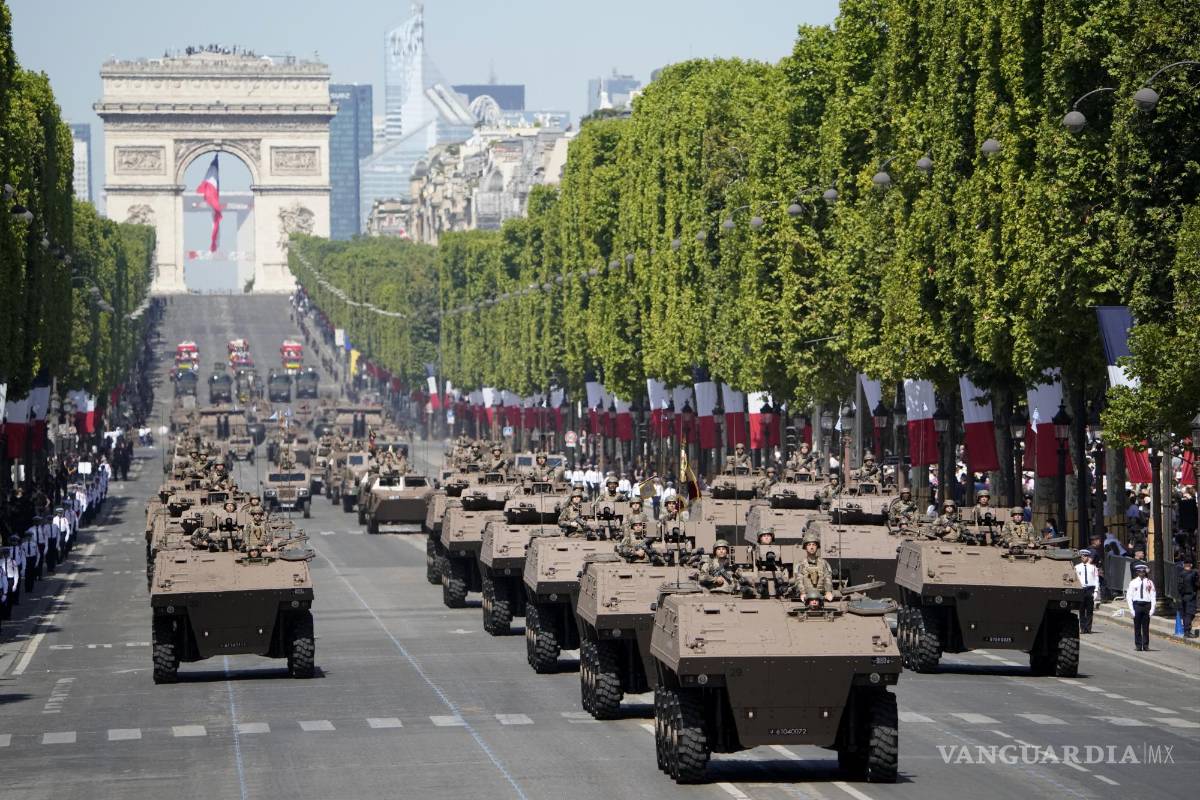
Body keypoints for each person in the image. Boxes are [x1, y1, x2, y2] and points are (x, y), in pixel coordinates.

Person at [1126, 563, 1156, 651]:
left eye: (1143, 572)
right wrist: (1131, 609)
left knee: (1146, 627)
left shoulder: (1149, 582)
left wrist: (1152, 609)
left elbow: (1153, 595)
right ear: (1137, 572)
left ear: (1145, 572)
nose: (1141, 573)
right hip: (1137, 605)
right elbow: (1129, 596)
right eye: (1139, 572)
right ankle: (1138, 645)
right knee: (1137, 626)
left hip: (1146, 605)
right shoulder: (1133, 582)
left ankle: (1146, 645)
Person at [798, 530, 834, 601]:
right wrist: (802, 592)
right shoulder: (801, 564)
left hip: (821, 596)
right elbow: (799, 579)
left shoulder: (824, 563)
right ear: (805, 547)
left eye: (814, 545)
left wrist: (828, 591)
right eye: (809, 545)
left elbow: (828, 577)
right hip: (806, 596)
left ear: (817, 547)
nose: (811, 547)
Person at [1075, 549, 1099, 634]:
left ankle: (1088, 628)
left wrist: (1096, 591)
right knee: (1081, 610)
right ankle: (1082, 628)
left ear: (1088, 557)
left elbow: (1096, 579)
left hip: (1090, 588)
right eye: (1082, 556)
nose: (1083, 557)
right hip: (1081, 588)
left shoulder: (1093, 567)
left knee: (1089, 610)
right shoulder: (1077, 567)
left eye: (1085, 556)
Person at [1177, 557, 1198, 638]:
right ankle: (1187, 631)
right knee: (1190, 614)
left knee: (1186, 614)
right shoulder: (1193, 573)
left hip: (1183, 597)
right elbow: (1197, 584)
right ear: (1191, 565)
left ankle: (1186, 630)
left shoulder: (1181, 574)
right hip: (1191, 596)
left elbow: (1179, 587)